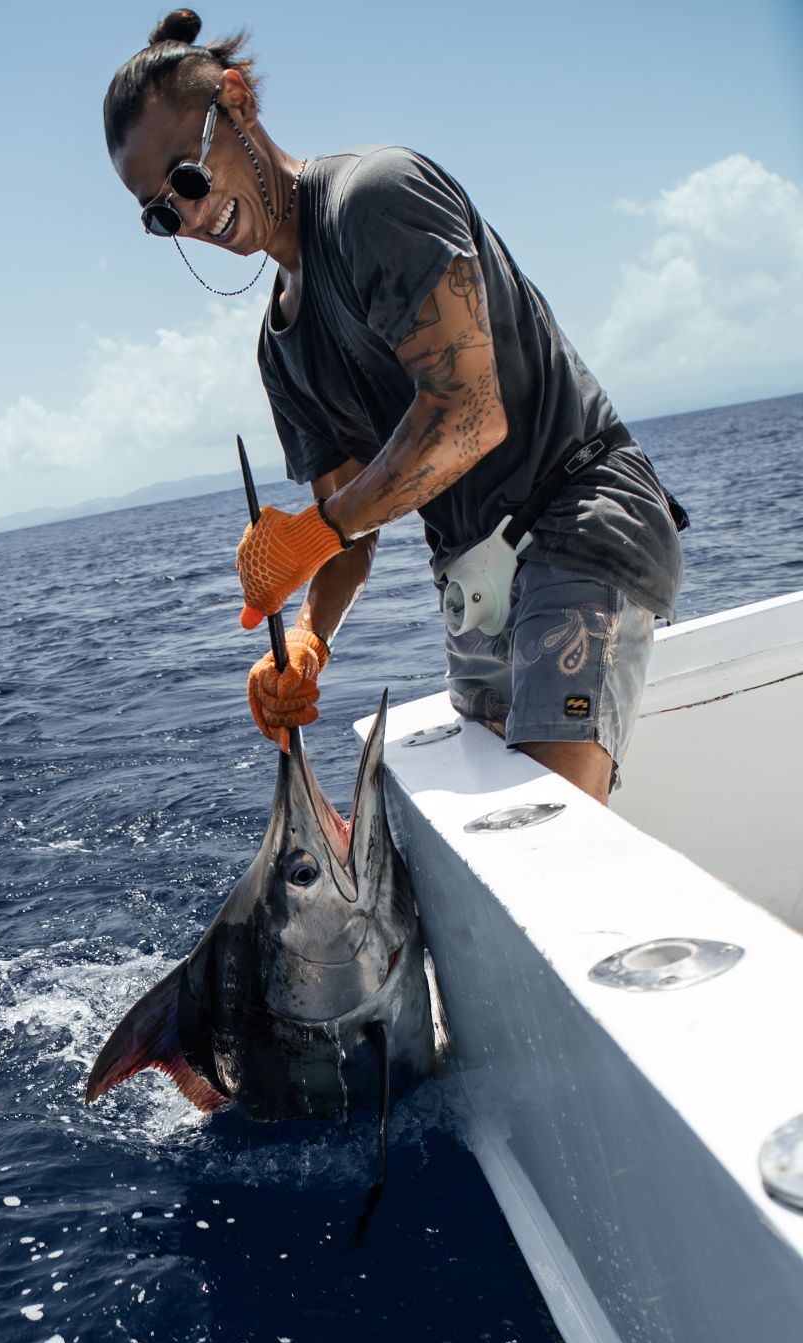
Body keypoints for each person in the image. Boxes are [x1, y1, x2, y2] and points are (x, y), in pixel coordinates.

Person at [104, 11, 685, 804]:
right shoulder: (282, 351)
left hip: (575, 522)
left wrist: (312, 533)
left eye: (189, 175)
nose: (193, 213)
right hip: (475, 583)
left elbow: (469, 414)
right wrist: (310, 637)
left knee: (550, 835)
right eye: (162, 212)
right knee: (496, 851)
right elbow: (350, 532)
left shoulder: (374, 199)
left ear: (236, 102)